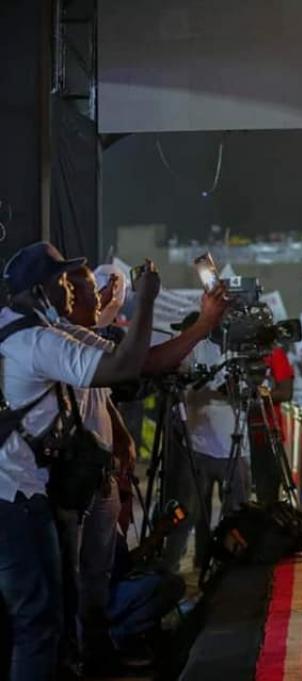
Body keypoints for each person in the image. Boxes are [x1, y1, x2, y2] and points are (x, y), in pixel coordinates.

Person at [0, 242, 159, 681]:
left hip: (25, 492)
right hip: (17, 498)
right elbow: (126, 367)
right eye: (62, 282)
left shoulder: (22, 331)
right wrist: (145, 301)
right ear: (38, 291)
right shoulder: (34, 341)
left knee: (48, 615)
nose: (69, 290)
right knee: (39, 622)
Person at [161, 314, 253, 574]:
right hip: (197, 448)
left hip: (235, 449)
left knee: (236, 515)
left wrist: (239, 389)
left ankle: (230, 571)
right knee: (187, 514)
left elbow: (257, 391)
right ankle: (169, 572)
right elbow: (179, 376)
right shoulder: (193, 349)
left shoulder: (241, 352)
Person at [248, 345, 295, 505]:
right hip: (230, 435)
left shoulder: (273, 351)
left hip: (267, 435)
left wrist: (254, 398)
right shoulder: (228, 347)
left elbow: (286, 392)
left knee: (268, 498)